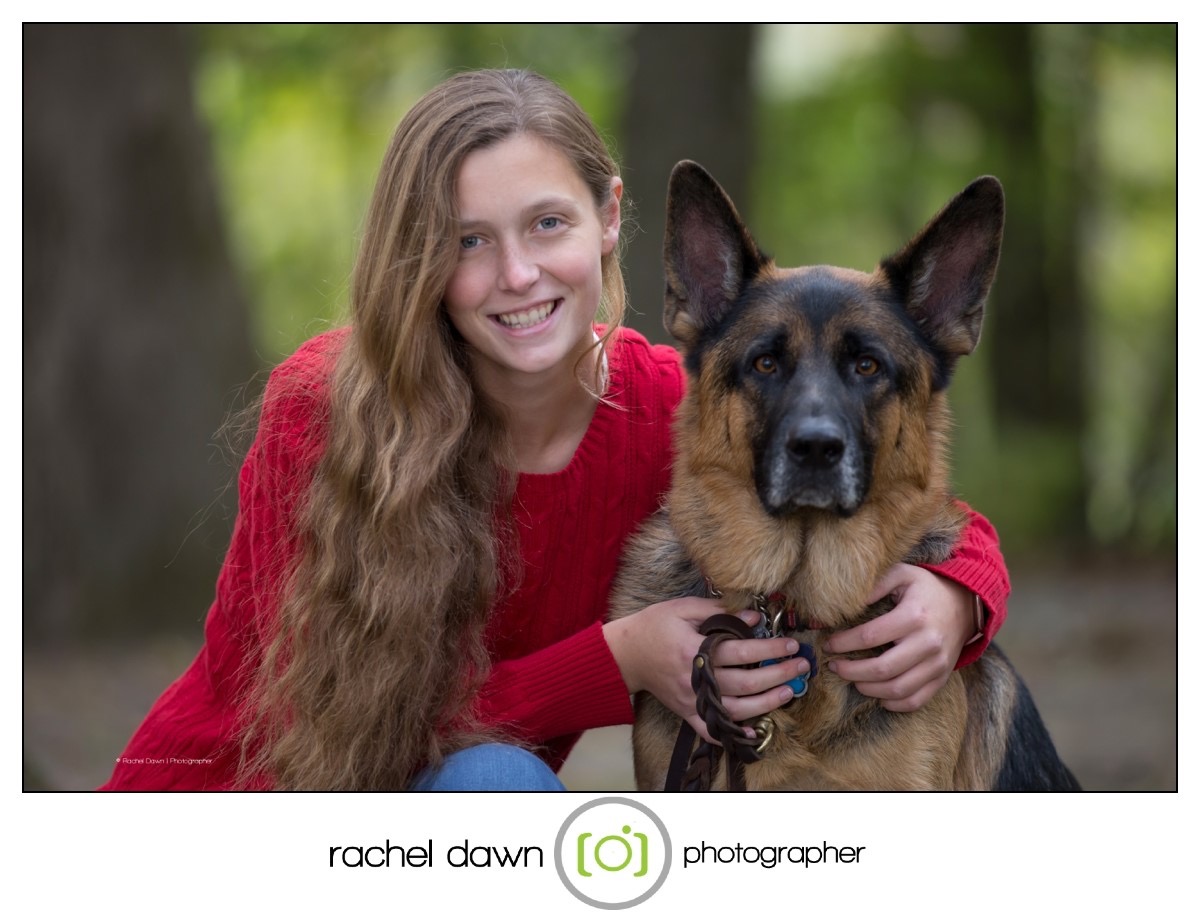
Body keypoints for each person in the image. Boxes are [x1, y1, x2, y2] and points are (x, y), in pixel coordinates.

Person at [102, 69, 1009, 792]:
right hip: (234, 806)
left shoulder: (670, 409)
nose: (517, 274)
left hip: (434, 829)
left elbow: (914, 499)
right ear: (419, 256)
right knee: (499, 785)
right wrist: (621, 660)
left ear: (608, 218)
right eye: (468, 240)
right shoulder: (325, 406)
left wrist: (961, 598)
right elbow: (300, 721)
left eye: (546, 223)